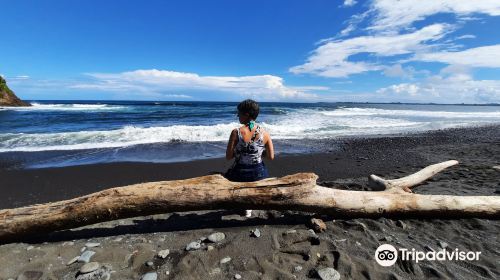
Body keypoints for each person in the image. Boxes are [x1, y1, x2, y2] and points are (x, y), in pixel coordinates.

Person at [225, 99, 274, 217]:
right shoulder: (265, 133)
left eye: (239, 113)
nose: (237, 115)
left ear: (246, 115)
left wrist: (240, 152)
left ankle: (244, 205)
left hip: (240, 174)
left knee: (227, 177)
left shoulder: (236, 132)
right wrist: (258, 153)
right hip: (259, 174)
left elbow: (228, 157)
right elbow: (271, 157)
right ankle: (250, 205)